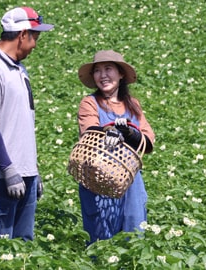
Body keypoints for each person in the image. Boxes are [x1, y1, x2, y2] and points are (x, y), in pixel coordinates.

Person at [0, 6, 54, 240]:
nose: (36, 44)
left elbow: (20, 124)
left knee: (23, 250)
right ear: (22, 34)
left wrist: (32, 171)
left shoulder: (19, 69)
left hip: (24, 176)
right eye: (35, 37)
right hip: (0, 179)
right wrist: (9, 170)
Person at [76, 50, 155, 245]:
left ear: (120, 74)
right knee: (101, 240)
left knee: (134, 234)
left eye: (108, 69)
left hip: (129, 180)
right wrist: (108, 131)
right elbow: (89, 129)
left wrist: (131, 133)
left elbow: (148, 140)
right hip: (98, 179)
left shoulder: (132, 105)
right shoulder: (90, 103)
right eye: (97, 71)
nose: (103, 75)